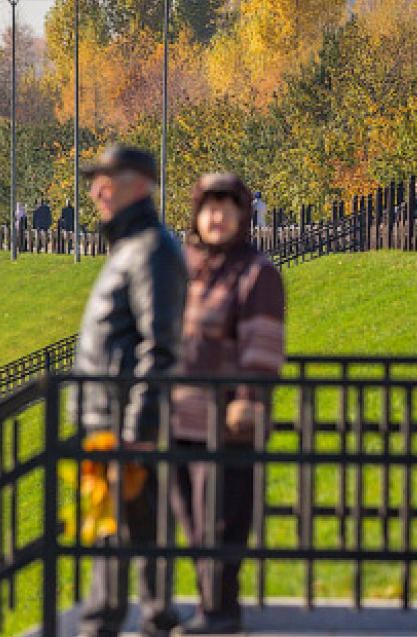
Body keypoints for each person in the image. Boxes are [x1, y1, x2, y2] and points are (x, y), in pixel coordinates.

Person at [73, 145, 187, 637]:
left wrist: (138, 427)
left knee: (122, 531)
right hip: (110, 419)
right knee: (125, 528)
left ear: (140, 184)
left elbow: (161, 347)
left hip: (124, 422)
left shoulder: (152, 251)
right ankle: (148, 619)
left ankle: (108, 624)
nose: (96, 190)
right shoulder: (132, 247)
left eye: (107, 179)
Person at [170, 174, 285, 635]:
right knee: (193, 521)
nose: (216, 218)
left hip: (229, 421)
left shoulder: (256, 272)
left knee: (222, 518)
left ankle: (221, 612)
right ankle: (209, 607)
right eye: (208, 208)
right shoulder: (190, 266)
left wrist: (249, 399)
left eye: (226, 209)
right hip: (183, 416)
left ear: (242, 216)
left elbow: (263, 346)